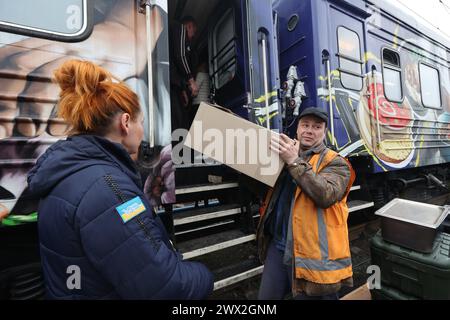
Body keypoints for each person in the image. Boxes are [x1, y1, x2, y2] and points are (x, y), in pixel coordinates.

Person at [26, 60, 214, 299]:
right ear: (125, 123)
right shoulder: (111, 191)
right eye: (141, 122)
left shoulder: (64, 174)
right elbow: (168, 288)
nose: (143, 131)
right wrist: (205, 275)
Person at [257, 108, 355, 300]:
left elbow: (325, 195)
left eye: (317, 127)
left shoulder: (336, 163)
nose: (310, 130)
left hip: (312, 257)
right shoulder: (280, 157)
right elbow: (263, 191)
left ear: (325, 132)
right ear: (298, 129)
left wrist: (293, 161)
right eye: (305, 125)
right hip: (278, 247)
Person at [169, 16, 199, 132]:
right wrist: (191, 81)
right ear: (189, 26)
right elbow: (180, 55)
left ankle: (179, 148)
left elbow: (176, 68)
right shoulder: (180, 28)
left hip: (174, 85)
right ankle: (178, 149)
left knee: (180, 121)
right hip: (171, 84)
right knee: (180, 123)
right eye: (194, 32)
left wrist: (183, 91)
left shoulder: (174, 38)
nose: (193, 37)